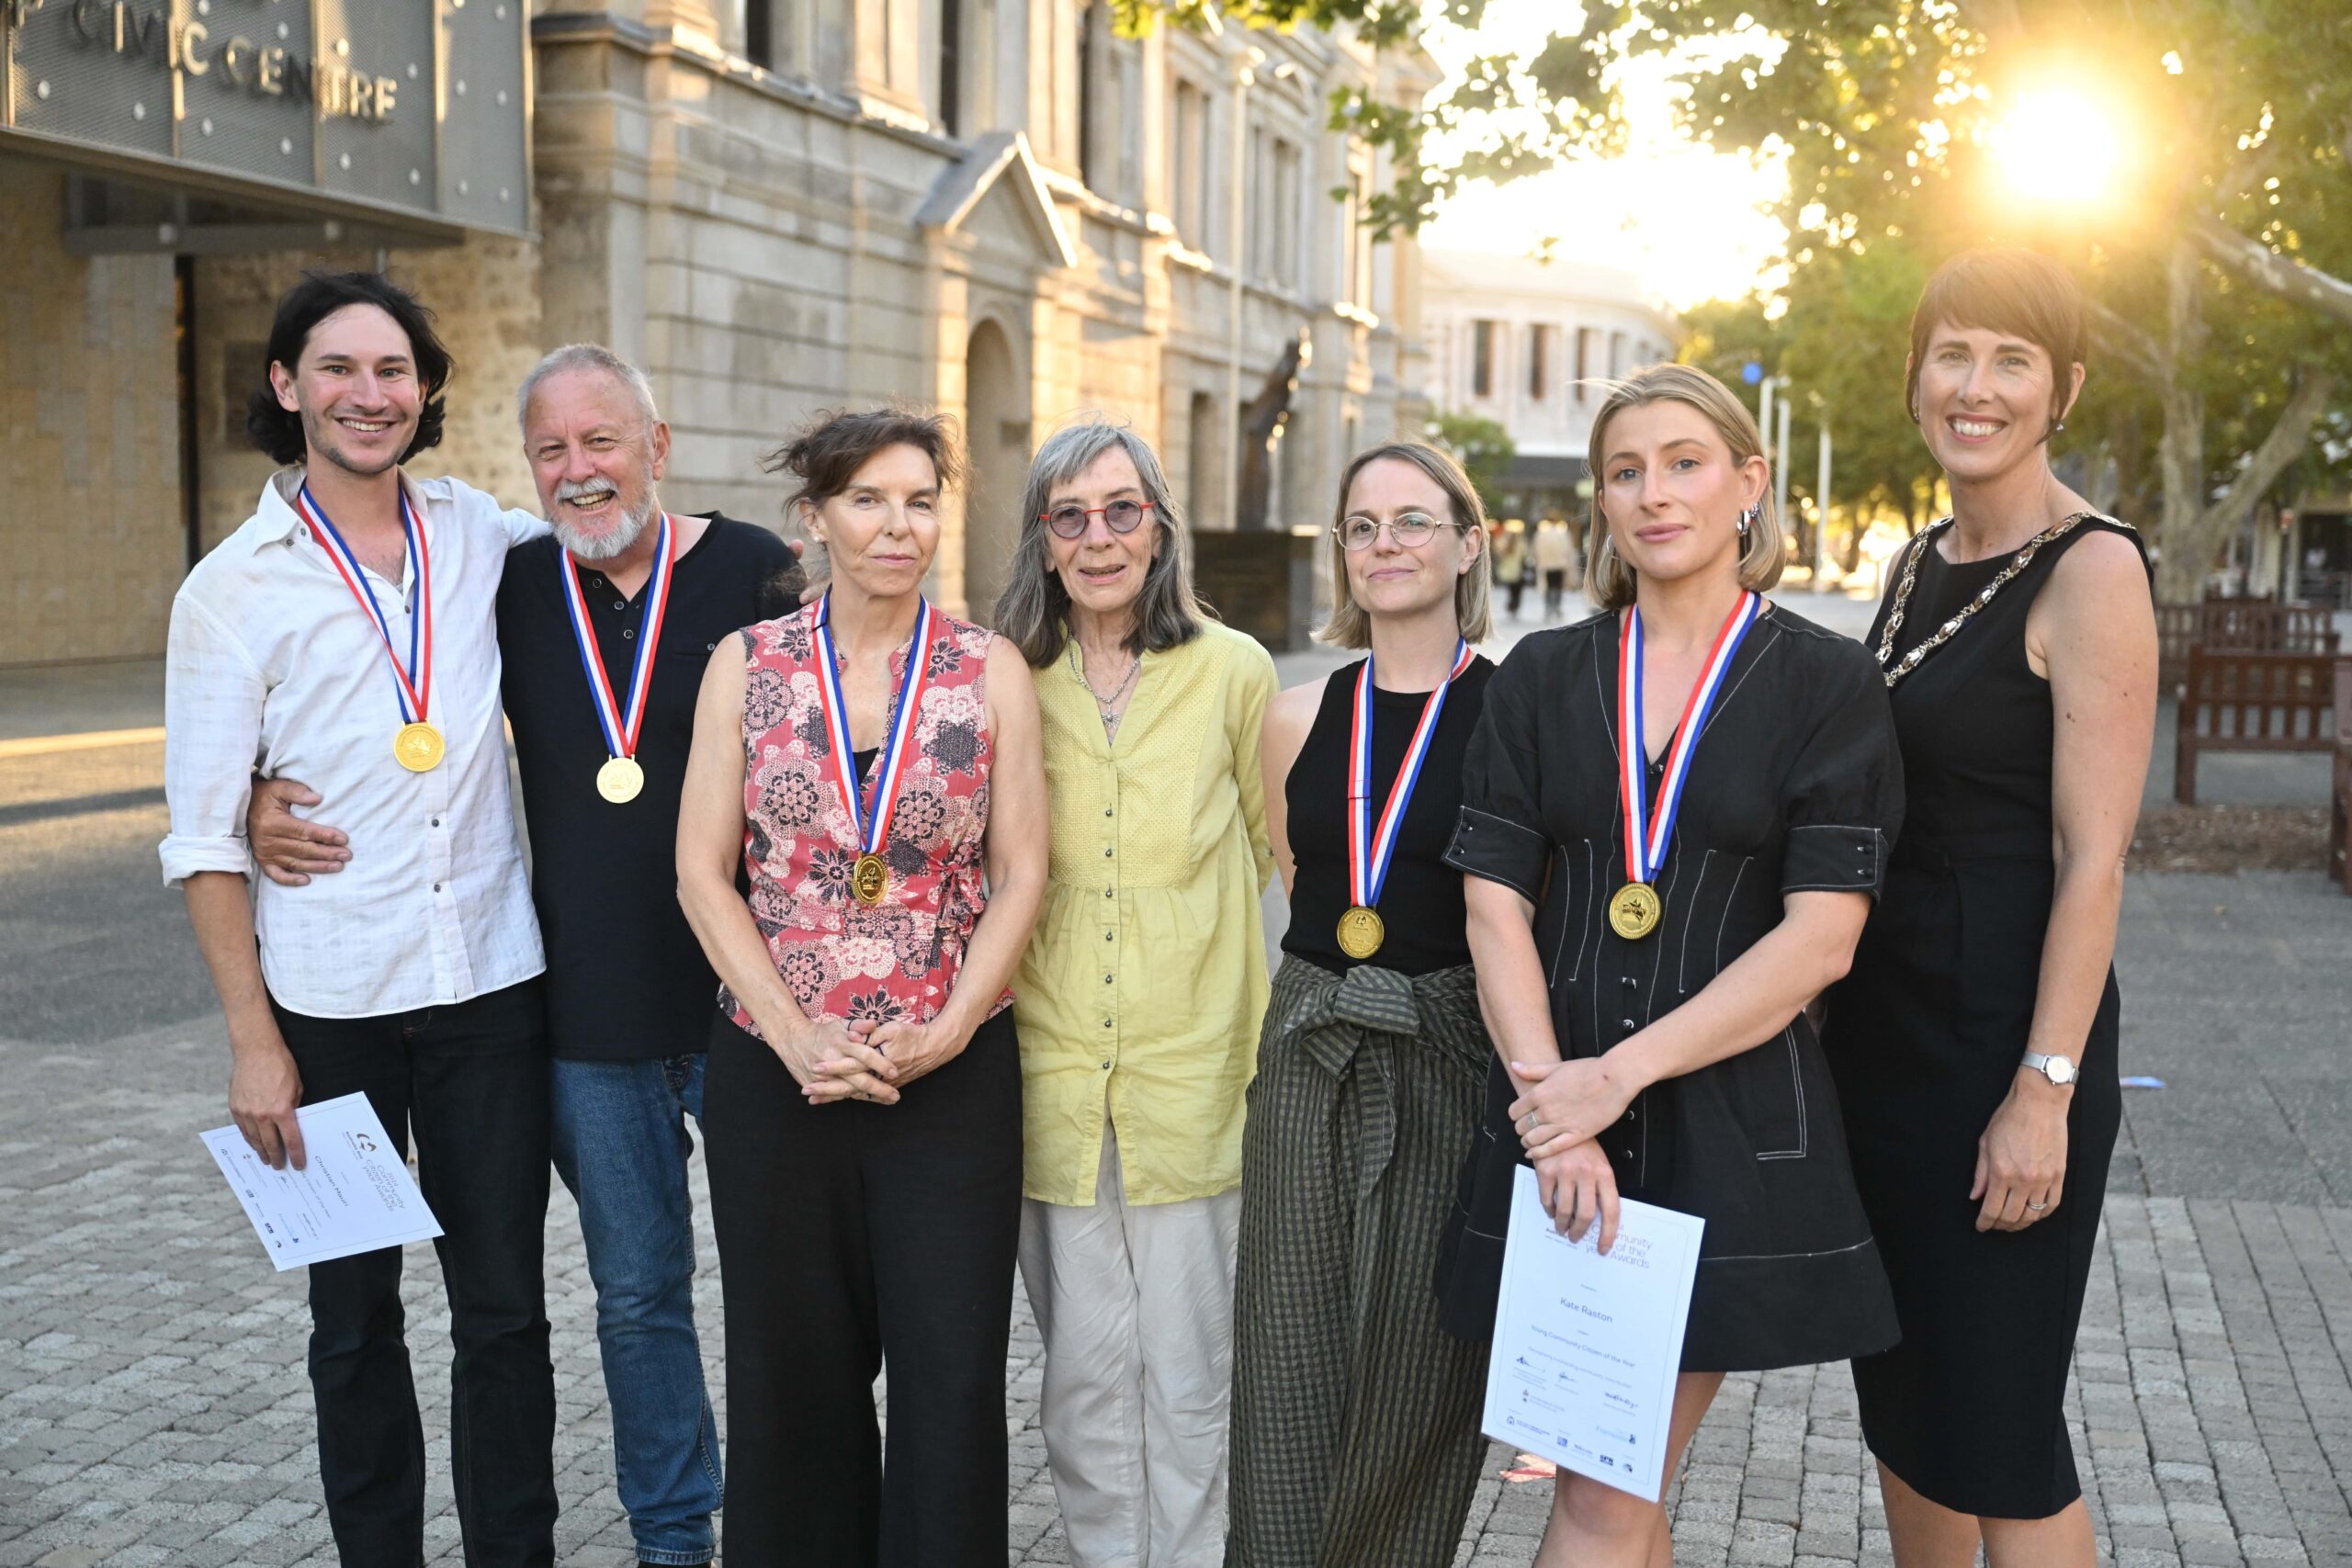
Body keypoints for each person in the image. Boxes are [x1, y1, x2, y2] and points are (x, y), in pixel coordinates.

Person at [246, 344, 802, 1568]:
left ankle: (787, 1520)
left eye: (602, 441)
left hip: (754, 1003)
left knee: (783, 1296)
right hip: (589, 1018)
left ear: (657, 446)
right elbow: (363, 696)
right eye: (551, 450)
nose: (578, 470)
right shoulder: (506, 578)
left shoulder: (760, 571)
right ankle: (671, 1537)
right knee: (638, 1298)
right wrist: (248, 800)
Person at [1438, 364, 1904, 1567]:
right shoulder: (1542, 676)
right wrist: (1558, 1103)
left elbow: (1823, 937)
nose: (1654, 492)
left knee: (1601, 1487)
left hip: (1728, 1126)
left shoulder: (1826, 681)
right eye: (1625, 470)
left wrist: (1614, 1080)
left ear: (1749, 482)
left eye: (1685, 461)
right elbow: (1494, 905)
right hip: (1554, 1127)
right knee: (1621, 1487)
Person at [161, 271, 558, 1567]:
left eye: (393, 370)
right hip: (324, 1011)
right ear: (288, 387)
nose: (368, 394)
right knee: (353, 1318)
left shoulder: (483, 535)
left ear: (428, 390)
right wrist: (250, 1042)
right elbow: (211, 837)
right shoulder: (230, 592)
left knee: (504, 1313)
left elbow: (623, 549)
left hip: (490, 993)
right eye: (337, 368)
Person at [1821, 250, 2156, 1568]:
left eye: (2013, 359)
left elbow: (2095, 858)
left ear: (2063, 387)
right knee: (1907, 1412)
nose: (1978, 387)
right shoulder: (1915, 562)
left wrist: (2045, 1087)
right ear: (1915, 379)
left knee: (2001, 1433)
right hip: (1884, 1045)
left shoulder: (2092, 569)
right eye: (1953, 353)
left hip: (2002, 1049)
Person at [675, 406, 1047, 1568]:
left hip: (947, 1084)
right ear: (816, 518)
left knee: (948, 1381)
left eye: (921, 499)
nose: (899, 525)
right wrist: (790, 1036)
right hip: (778, 1077)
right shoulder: (750, 663)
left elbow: (1023, 869)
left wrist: (947, 1030)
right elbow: (700, 869)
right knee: (794, 1379)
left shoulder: (988, 670)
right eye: (869, 499)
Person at [992, 417, 1277, 1568]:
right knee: (1081, 1376)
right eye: (1071, 515)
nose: (1099, 537)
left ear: (1159, 526)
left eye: (1122, 510)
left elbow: (1283, 859)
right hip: (1050, 1083)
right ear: (1042, 540)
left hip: (1194, 1078)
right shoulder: (1001, 677)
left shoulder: (1234, 672)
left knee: (1192, 1370)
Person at [1229, 441, 1498, 1567]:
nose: (1386, 545)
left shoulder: (1515, 707)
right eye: (1363, 526)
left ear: (1469, 543)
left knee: (1420, 1359)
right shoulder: (1294, 717)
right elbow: (1304, 884)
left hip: (1449, 1051)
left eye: (1413, 521)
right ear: (1341, 550)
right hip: (1310, 1049)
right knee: (1288, 1347)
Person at [1532, 515, 1573, 617]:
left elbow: (1536, 549)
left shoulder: (1541, 534)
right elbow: (1568, 550)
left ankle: (1549, 607)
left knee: (1548, 587)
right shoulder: (1562, 534)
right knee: (1557, 587)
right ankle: (1556, 607)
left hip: (1546, 565)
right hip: (1560, 565)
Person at [1492, 520, 1530, 619]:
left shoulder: (1505, 541)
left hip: (1508, 571)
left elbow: (1497, 549)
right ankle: (1514, 605)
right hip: (1518, 570)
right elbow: (1525, 554)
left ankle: (1511, 605)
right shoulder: (1520, 542)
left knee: (1511, 590)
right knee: (1517, 591)